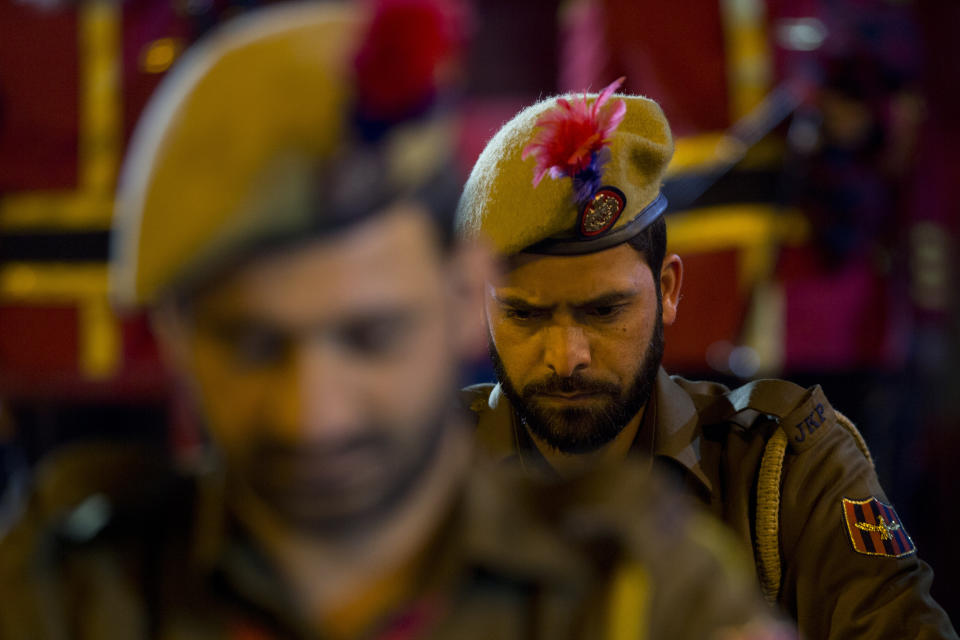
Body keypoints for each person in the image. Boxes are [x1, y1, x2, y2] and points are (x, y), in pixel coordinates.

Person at [0, 3, 794, 639]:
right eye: (254, 344)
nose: (315, 411)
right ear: (175, 335)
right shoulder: (69, 591)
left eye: (371, 337)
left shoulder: (635, 590)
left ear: (463, 299)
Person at [456, 79, 958, 638]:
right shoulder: (416, 477)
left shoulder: (787, 467)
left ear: (669, 290)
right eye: (525, 315)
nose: (566, 357)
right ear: (479, 308)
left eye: (604, 312)